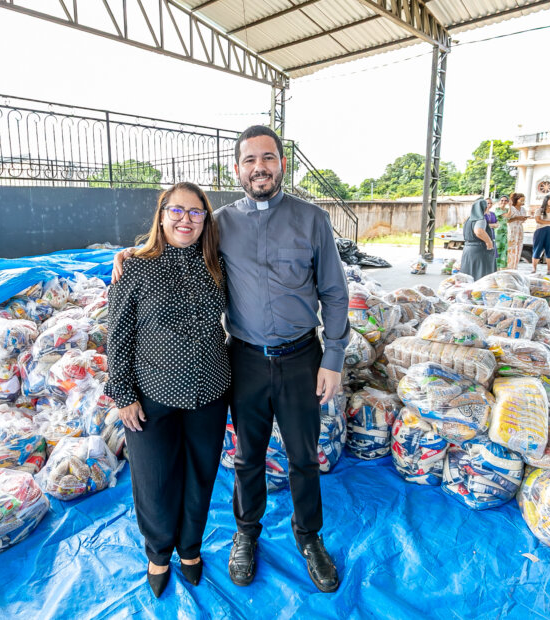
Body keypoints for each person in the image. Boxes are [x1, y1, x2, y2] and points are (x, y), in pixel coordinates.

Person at [114, 125, 349, 593]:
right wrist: (129, 256)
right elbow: (174, 243)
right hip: (244, 360)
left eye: (268, 158)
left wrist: (335, 357)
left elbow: (334, 291)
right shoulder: (219, 223)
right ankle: (246, 533)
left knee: (304, 455)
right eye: (249, 160)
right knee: (247, 457)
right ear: (236, 168)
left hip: (303, 356)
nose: (259, 167)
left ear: (282, 164)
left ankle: (310, 539)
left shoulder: (313, 219)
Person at [105, 182, 230, 597]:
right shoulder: (135, 267)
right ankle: (159, 553)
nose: (185, 220)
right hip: (152, 395)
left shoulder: (216, 264)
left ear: (205, 220)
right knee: (155, 480)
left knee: (201, 475)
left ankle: (190, 549)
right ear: (161, 216)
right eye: (176, 211)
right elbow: (118, 335)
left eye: (195, 213)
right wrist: (123, 395)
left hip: (210, 391)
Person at [460, 197, 497, 281]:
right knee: (481, 275)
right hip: (479, 250)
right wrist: (489, 242)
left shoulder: (468, 219)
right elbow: (479, 231)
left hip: (468, 249)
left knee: (469, 274)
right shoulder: (481, 219)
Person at [531, 194, 550, 275]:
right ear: (546, 201)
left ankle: (549, 269)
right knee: (537, 248)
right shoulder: (539, 210)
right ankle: (534, 268)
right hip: (540, 230)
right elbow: (538, 220)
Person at [506, 192, 529, 270]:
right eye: (521, 200)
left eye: (523, 200)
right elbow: (506, 220)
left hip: (519, 229)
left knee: (518, 247)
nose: (522, 202)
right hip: (512, 229)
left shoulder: (523, 209)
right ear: (516, 200)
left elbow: (522, 221)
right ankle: (508, 266)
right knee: (510, 247)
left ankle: (515, 266)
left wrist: (523, 218)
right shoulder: (511, 208)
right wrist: (516, 218)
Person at [494, 195, 510, 270]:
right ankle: (495, 267)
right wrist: (511, 206)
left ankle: (502, 267)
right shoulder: (497, 209)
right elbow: (508, 216)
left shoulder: (507, 210)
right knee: (498, 249)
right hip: (498, 232)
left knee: (504, 249)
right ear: (499, 201)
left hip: (505, 231)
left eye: (505, 200)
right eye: (502, 200)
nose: (503, 202)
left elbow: (510, 219)